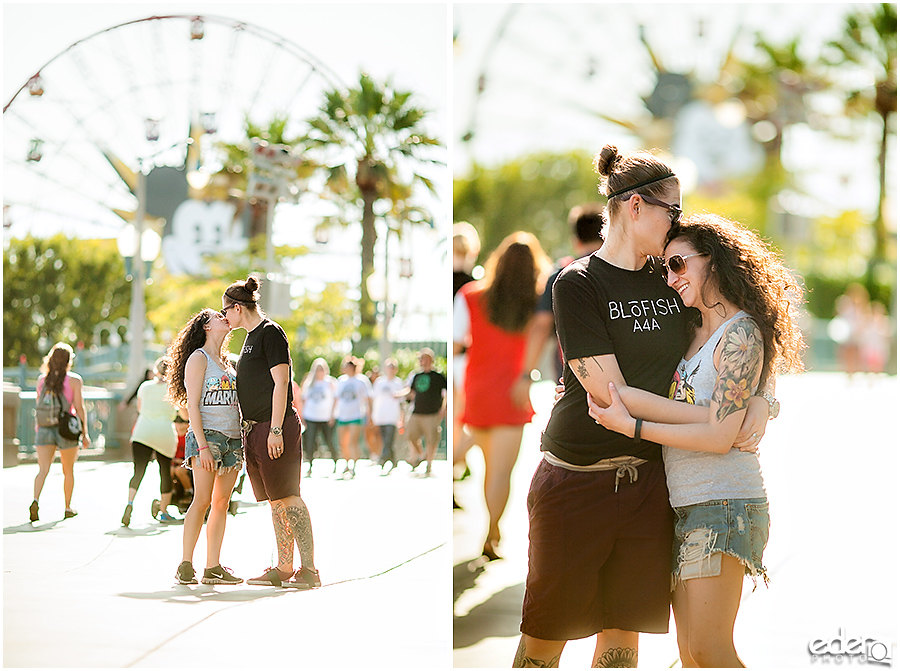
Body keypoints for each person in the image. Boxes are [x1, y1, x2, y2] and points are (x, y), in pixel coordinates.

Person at [514, 145, 773, 668]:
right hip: (576, 481)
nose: (680, 220)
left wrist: (763, 400)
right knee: (545, 639)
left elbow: (733, 337)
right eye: (672, 209)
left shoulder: (672, 278)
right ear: (634, 207)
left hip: (650, 487)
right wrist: (718, 420)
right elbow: (609, 395)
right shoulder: (578, 283)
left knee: (620, 646)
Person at [587, 212, 805, 667]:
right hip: (686, 505)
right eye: (665, 269)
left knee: (710, 651)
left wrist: (633, 427)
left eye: (679, 265)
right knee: (692, 656)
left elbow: (720, 434)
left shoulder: (740, 331)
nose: (670, 279)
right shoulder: (688, 330)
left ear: (714, 260)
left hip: (725, 506)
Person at [453, 231, 551, 561]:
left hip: (478, 389)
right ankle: (492, 533)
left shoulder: (470, 295)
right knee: (500, 473)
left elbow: (456, 344)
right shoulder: (537, 301)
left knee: (485, 469)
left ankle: (489, 527)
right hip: (514, 392)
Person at [221, 276, 320, 589]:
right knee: (276, 501)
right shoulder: (248, 338)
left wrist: (276, 429)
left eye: (226, 311)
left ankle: (309, 570)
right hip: (255, 430)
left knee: (290, 498)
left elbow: (282, 383)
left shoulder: (270, 332)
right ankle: (284, 567)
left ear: (238, 308)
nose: (224, 317)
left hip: (273, 428)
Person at [166, 309, 244, 585]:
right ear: (206, 327)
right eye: (217, 316)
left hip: (233, 439)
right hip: (207, 437)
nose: (225, 317)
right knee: (201, 501)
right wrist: (202, 446)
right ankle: (185, 564)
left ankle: (213, 566)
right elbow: (193, 406)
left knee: (222, 503)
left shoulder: (228, 363)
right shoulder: (198, 358)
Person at [511, 203, 606, 409]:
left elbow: (542, 326)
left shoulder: (559, 276)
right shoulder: (620, 271)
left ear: (576, 240)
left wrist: (527, 375)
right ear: (605, 234)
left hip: (571, 379)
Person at [30, 342, 91, 522]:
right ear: (68, 361)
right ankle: (67, 506)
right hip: (66, 430)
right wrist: (84, 432)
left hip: (44, 429)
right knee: (68, 471)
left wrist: (38, 429)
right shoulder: (74, 380)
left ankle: (35, 501)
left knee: (42, 470)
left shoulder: (42, 380)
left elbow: (38, 405)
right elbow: (79, 408)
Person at [121, 357, 179, 527]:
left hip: (142, 432)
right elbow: (179, 412)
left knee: (138, 472)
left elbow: (140, 408)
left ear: (155, 370)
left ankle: (130, 504)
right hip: (164, 433)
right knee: (165, 472)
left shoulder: (144, 387)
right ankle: (163, 511)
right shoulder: (173, 389)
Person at [452, 223, 482, 506]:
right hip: (464, 361)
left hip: (457, 360)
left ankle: (456, 467)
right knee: (464, 422)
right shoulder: (474, 284)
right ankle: (455, 467)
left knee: (458, 422)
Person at [402, 348, 447, 476]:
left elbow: (447, 393)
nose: (424, 361)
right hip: (417, 412)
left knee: (431, 439)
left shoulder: (438, 376)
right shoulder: (416, 376)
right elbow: (411, 392)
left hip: (432, 413)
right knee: (410, 435)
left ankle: (429, 463)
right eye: (422, 359)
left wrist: (444, 409)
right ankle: (421, 455)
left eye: (426, 358)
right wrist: (398, 395)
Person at [333, 356, 373, 478]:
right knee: (343, 443)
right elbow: (336, 398)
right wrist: (332, 414)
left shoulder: (361, 381)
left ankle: (354, 465)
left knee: (352, 442)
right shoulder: (341, 381)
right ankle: (346, 463)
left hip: (356, 415)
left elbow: (367, 399)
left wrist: (369, 415)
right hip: (342, 415)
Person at [298, 358, 339, 475]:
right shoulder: (309, 383)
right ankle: (310, 464)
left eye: (322, 368)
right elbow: (303, 400)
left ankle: (335, 462)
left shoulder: (330, 382)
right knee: (310, 442)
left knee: (329, 441)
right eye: (317, 369)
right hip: (311, 416)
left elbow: (336, 399)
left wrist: (332, 415)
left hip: (326, 417)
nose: (319, 371)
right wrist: (302, 416)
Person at [371, 358, 405, 473]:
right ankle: (393, 460)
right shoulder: (379, 382)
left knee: (388, 439)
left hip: (392, 416)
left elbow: (402, 403)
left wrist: (402, 418)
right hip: (381, 416)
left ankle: (383, 459)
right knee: (384, 439)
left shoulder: (398, 383)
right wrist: (373, 415)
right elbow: (374, 399)